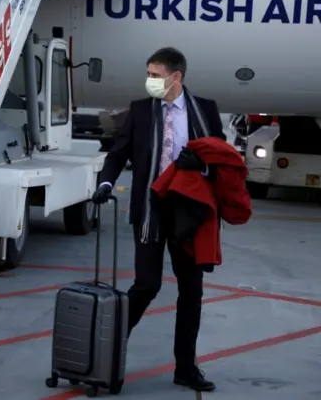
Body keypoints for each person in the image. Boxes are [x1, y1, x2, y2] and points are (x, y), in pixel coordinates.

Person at [92, 47, 226, 392]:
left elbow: (221, 157)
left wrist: (204, 165)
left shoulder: (205, 110)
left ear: (175, 76)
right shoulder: (140, 110)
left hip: (190, 211)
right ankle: (105, 351)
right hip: (151, 208)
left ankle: (185, 367)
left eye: (155, 75)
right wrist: (106, 182)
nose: (149, 81)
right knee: (146, 285)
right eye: (148, 74)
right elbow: (118, 152)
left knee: (191, 292)